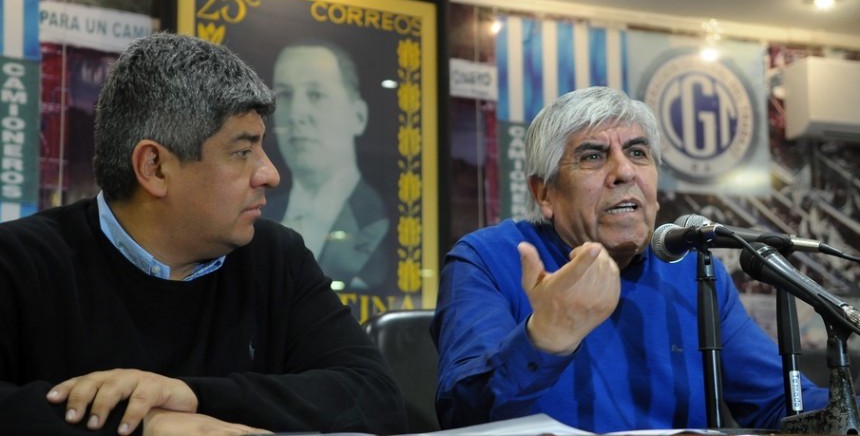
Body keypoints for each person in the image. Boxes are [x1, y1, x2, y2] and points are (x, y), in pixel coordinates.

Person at [0, 32, 407, 435]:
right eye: (242, 152)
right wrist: (148, 426)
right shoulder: (18, 262)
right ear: (155, 168)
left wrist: (189, 397)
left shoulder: (278, 258)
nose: (270, 174)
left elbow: (376, 398)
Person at [430, 86, 837, 432]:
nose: (624, 172)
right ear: (545, 193)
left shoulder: (694, 270)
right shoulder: (487, 260)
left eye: (638, 152)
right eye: (593, 156)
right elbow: (462, 416)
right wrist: (544, 338)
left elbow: (779, 404)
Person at [267, 38, 390, 291]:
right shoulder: (260, 219)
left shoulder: (386, 220)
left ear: (358, 116)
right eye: (285, 95)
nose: (296, 113)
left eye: (316, 95)